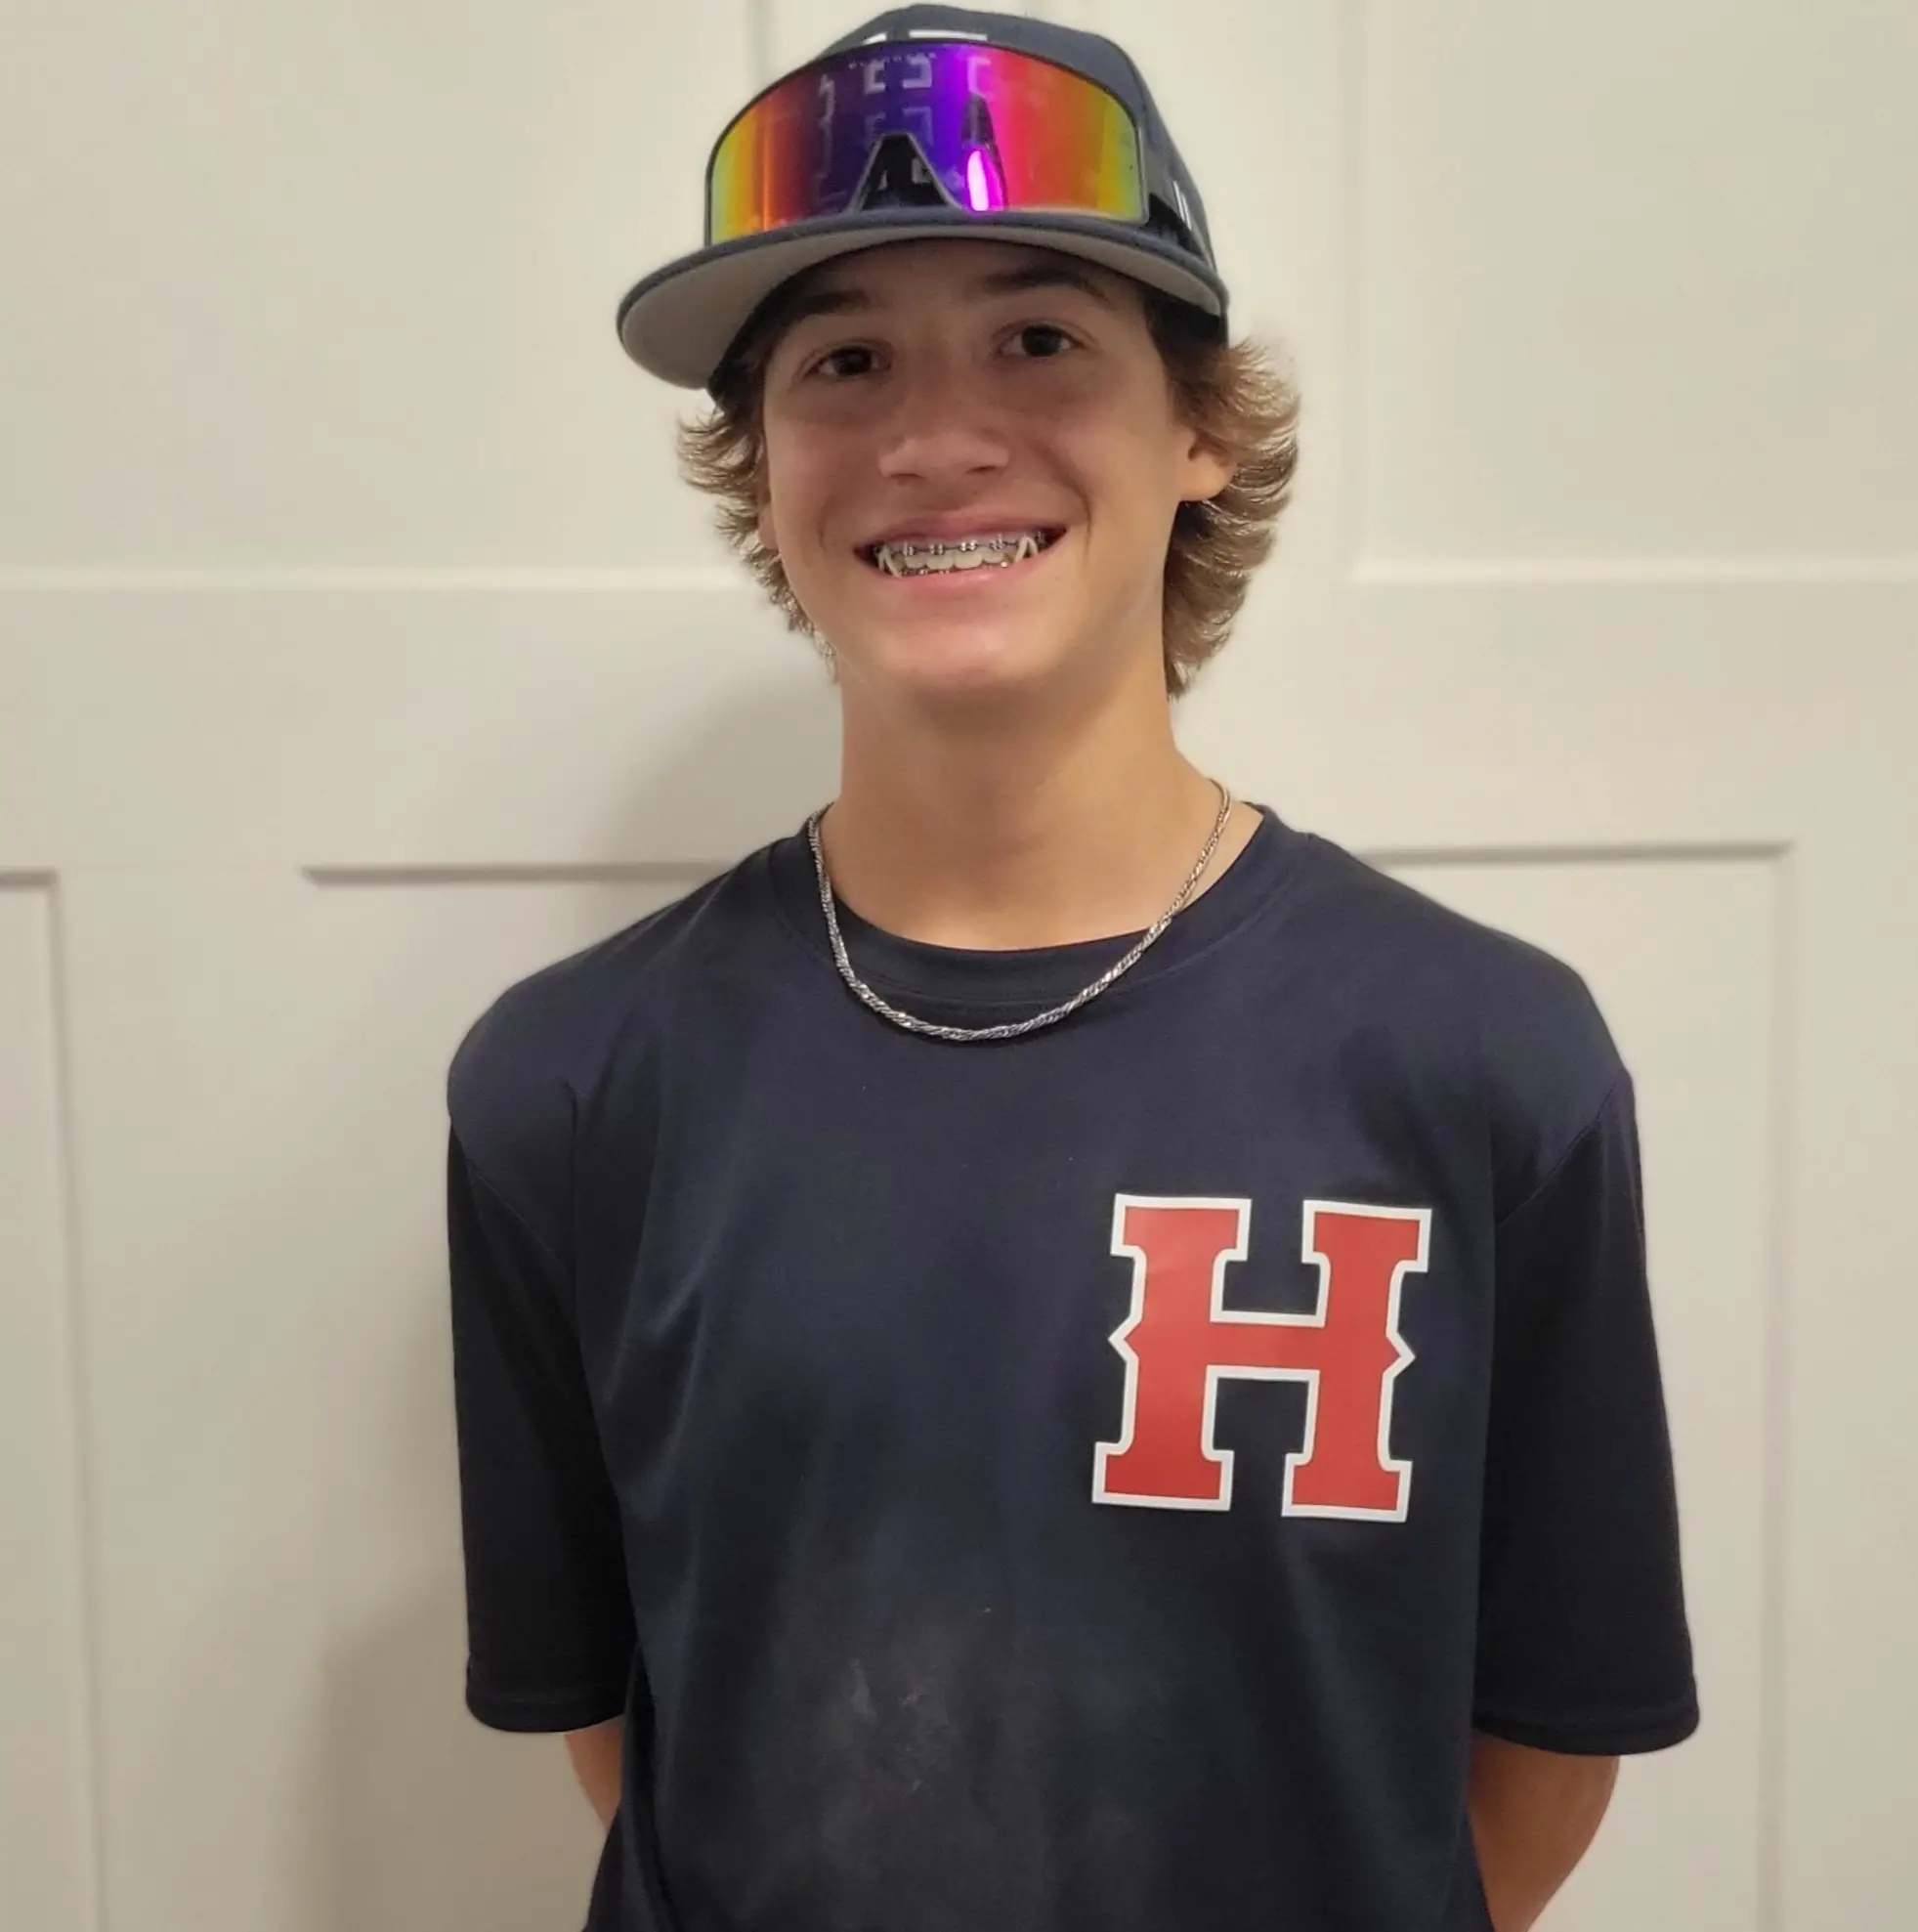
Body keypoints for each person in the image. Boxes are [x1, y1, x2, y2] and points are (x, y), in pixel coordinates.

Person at [444, 8, 1700, 1930]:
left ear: (1200, 429)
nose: (935, 440)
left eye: (1038, 339)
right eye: (844, 361)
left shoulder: (1480, 1058)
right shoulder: (572, 1082)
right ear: (760, 469)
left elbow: (1543, 1744)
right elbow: (634, 1726)